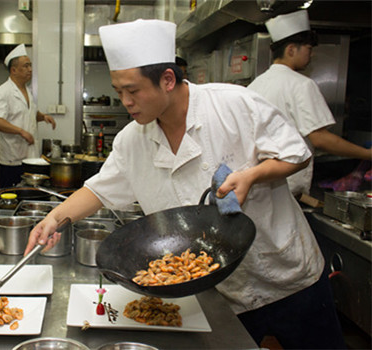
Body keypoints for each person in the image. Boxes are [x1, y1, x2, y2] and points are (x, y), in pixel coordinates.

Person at [26, 19, 346, 349]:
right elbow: (98, 190)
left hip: (288, 277)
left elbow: (297, 153)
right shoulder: (132, 140)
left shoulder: (232, 105)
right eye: (119, 91)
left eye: (133, 91)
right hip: (221, 290)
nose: (125, 101)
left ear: (167, 79)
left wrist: (253, 175)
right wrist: (53, 219)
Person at [248, 10, 372, 197]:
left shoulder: (255, 84)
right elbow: (320, 138)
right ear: (291, 49)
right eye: (308, 49)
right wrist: (367, 154)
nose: (311, 55)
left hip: (259, 182)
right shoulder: (301, 84)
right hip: (286, 185)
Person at [0, 44, 56, 188]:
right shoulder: (4, 91)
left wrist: (43, 117)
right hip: (13, 157)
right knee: (12, 193)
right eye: (25, 66)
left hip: (29, 156)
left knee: (27, 192)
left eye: (30, 66)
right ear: (13, 70)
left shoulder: (27, 90)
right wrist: (21, 131)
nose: (30, 69)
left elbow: (28, 113)